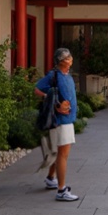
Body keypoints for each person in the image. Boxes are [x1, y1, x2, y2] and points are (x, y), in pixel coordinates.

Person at [36, 47, 80, 201]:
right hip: (61, 121)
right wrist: (54, 102)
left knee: (58, 152)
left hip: (68, 119)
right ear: (62, 61)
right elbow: (37, 89)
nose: (71, 59)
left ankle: (50, 178)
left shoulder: (67, 75)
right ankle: (61, 190)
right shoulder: (53, 75)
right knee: (63, 154)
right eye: (68, 58)